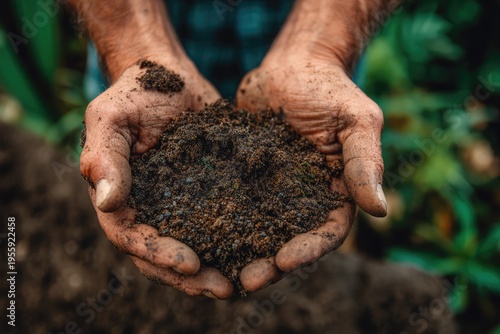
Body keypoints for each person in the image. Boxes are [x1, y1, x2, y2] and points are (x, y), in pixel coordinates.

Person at [69, 0, 399, 299]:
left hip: (315, 74)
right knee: (116, 192)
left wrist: (322, 47)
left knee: (315, 271)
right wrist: (135, 51)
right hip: (142, 64)